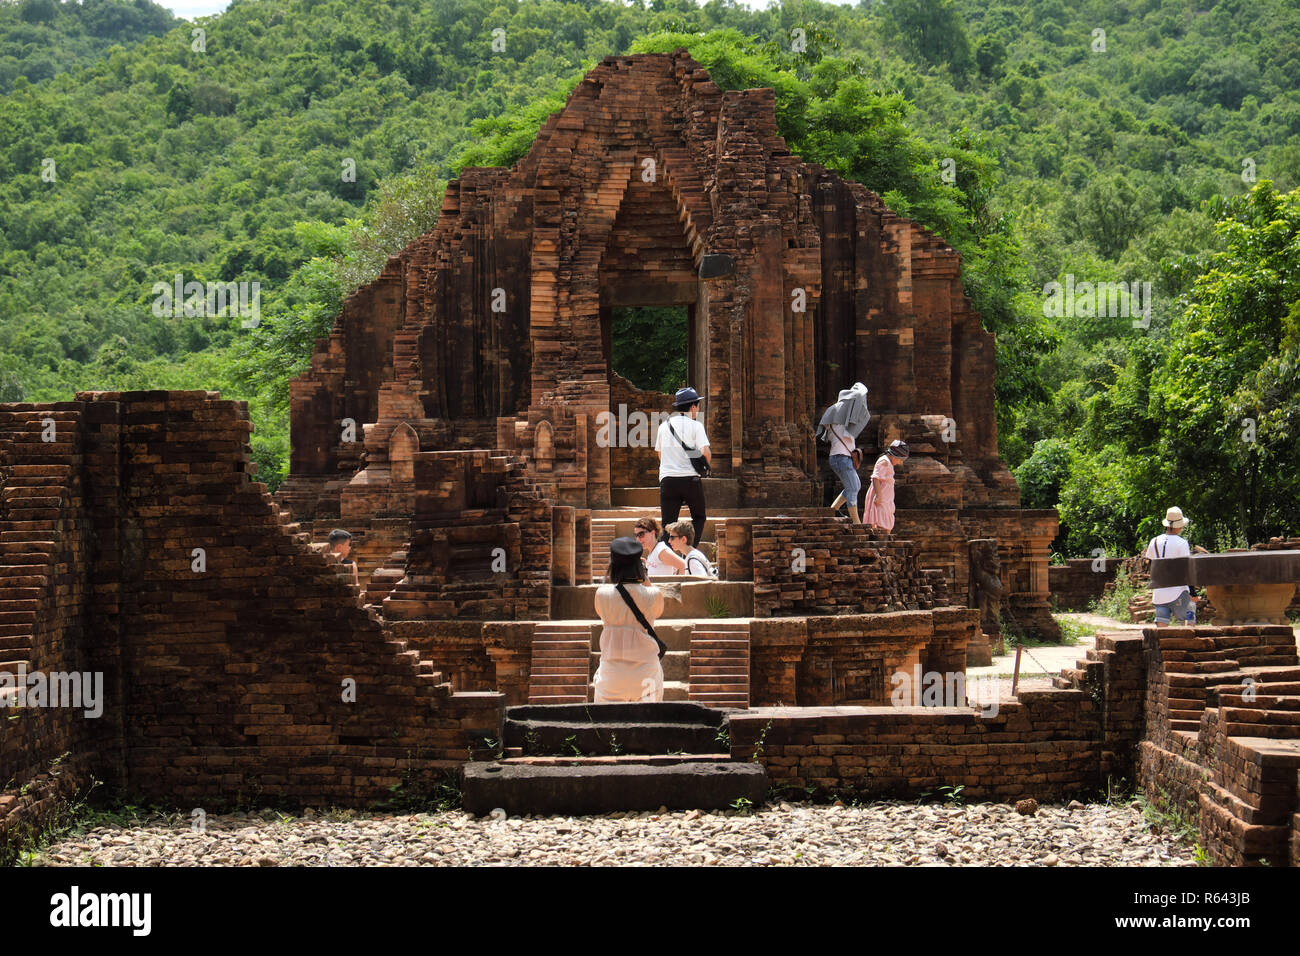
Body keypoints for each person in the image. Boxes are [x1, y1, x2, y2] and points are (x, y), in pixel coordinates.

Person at [592, 536, 666, 703]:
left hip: (612, 675)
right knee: (650, 726)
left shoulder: (602, 594)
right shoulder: (653, 595)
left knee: (607, 727)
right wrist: (644, 575)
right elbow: (658, 610)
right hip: (646, 674)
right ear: (639, 566)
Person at [654, 387, 711, 549]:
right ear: (693, 407)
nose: (698, 409)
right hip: (690, 480)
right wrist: (704, 467)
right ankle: (690, 550)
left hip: (668, 480)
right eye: (698, 405)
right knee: (699, 517)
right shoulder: (696, 426)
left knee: (668, 524)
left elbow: (659, 454)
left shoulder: (664, 426)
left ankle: (668, 555)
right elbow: (705, 452)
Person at [817, 382, 871, 524]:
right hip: (841, 457)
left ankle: (834, 509)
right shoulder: (844, 421)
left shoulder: (833, 416)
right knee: (853, 487)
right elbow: (859, 396)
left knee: (855, 485)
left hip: (839, 457)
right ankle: (857, 522)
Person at [1144, 507, 1197, 627]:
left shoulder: (1154, 541)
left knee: (1161, 626)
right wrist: (1192, 592)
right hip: (1178, 591)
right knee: (1190, 612)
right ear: (1179, 526)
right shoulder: (1182, 543)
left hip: (1159, 592)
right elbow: (1186, 569)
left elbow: (1152, 564)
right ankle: (1188, 640)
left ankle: (1162, 644)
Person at [861, 440, 910, 532]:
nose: (900, 463)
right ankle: (881, 544)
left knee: (886, 523)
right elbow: (876, 478)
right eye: (900, 459)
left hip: (886, 500)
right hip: (881, 499)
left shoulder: (888, 462)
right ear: (895, 455)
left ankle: (884, 543)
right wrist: (879, 496)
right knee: (881, 524)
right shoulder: (884, 461)